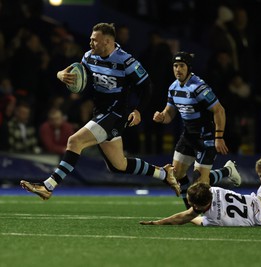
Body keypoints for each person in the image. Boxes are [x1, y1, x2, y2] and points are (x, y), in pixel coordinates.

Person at [20, 22, 180, 200]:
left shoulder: (126, 61)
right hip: (100, 113)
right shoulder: (89, 57)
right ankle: (164, 174)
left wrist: (138, 110)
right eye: (90, 39)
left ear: (107, 42)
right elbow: (78, 75)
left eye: (94, 40)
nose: (90, 43)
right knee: (118, 165)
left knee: (74, 141)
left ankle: (48, 186)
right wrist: (61, 74)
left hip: (117, 113)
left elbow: (147, 87)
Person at [153, 51, 233, 208]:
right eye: (175, 66)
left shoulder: (199, 87)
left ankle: (227, 171)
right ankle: (189, 209)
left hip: (205, 137)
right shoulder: (173, 87)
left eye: (181, 66)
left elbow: (219, 110)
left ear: (188, 68)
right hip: (188, 136)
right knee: (176, 175)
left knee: (200, 183)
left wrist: (219, 137)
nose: (178, 69)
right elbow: (169, 114)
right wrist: (161, 117)